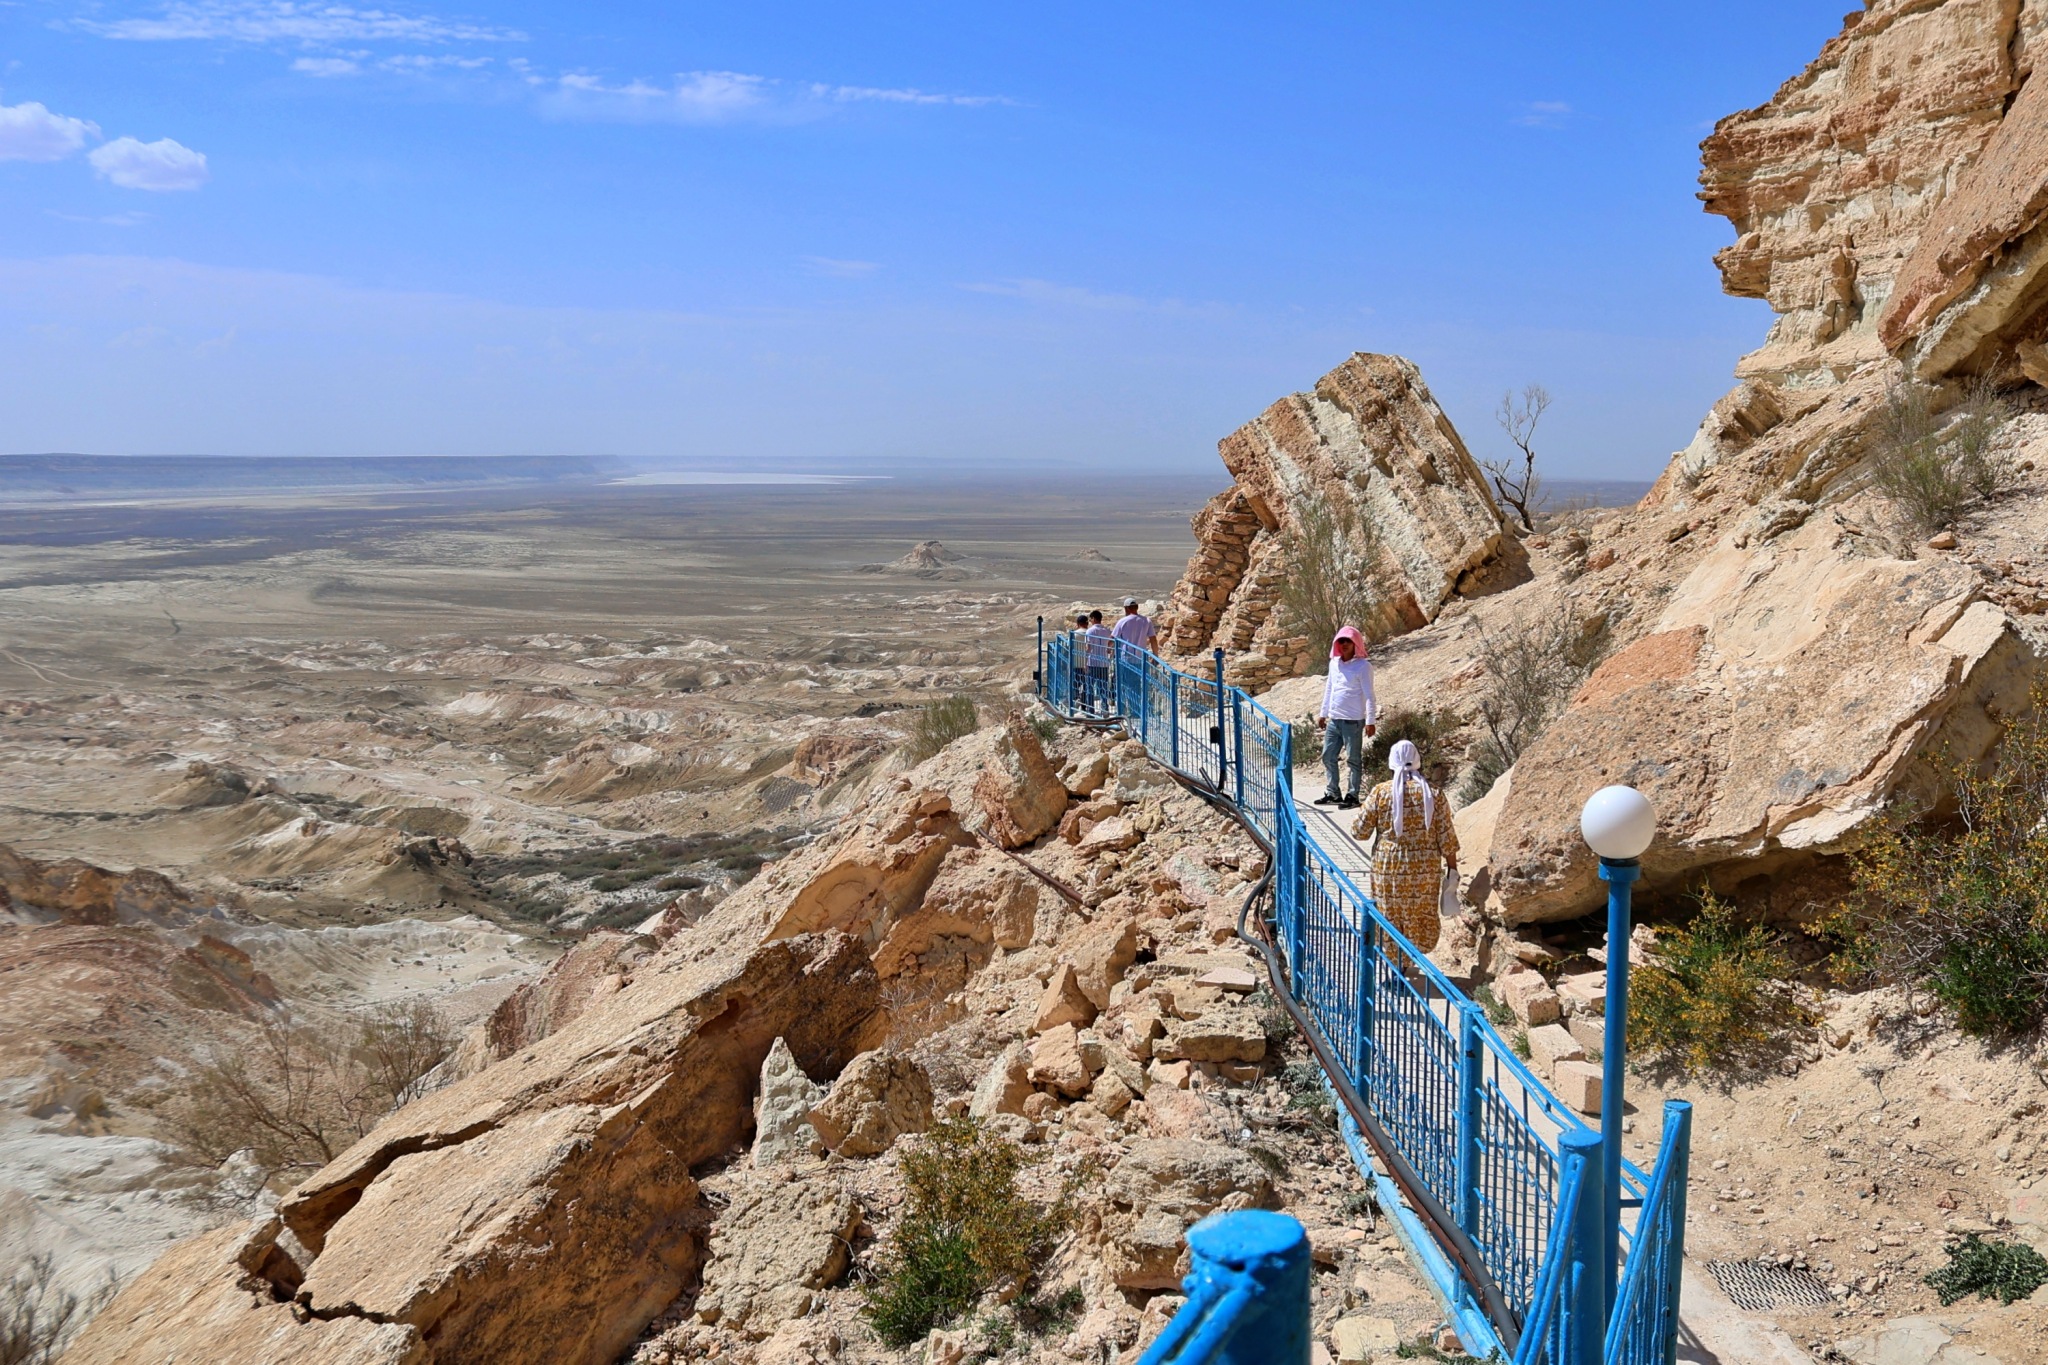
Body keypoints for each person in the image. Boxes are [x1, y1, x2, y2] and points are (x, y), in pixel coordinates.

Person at [1352, 739, 1459, 953]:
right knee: (1419, 914)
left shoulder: (1381, 793)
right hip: (1425, 868)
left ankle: (1396, 965)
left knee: (1389, 914)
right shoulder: (1434, 794)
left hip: (1389, 867)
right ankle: (1412, 957)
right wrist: (1453, 869)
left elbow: (1359, 832)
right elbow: (1447, 837)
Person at [1314, 626, 1376, 807]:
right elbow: (1330, 689)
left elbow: (1370, 695)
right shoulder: (1334, 663)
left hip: (1353, 721)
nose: (1344, 645)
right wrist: (1323, 713)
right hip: (1334, 719)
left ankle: (1353, 795)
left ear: (1356, 643)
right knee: (1328, 756)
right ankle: (1333, 793)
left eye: (1348, 641)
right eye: (1341, 641)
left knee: (1353, 759)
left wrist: (1370, 721)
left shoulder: (1364, 666)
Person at [1084, 609, 1114, 714]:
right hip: (1104, 663)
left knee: (1090, 687)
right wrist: (1108, 651)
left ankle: (1090, 710)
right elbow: (1111, 644)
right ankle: (1105, 709)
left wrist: (1085, 661)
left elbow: (1088, 647)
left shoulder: (1090, 631)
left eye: (1091, 619)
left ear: (1093, 619)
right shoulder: (1108, 631)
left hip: (1092, 662)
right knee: (1103, 688)